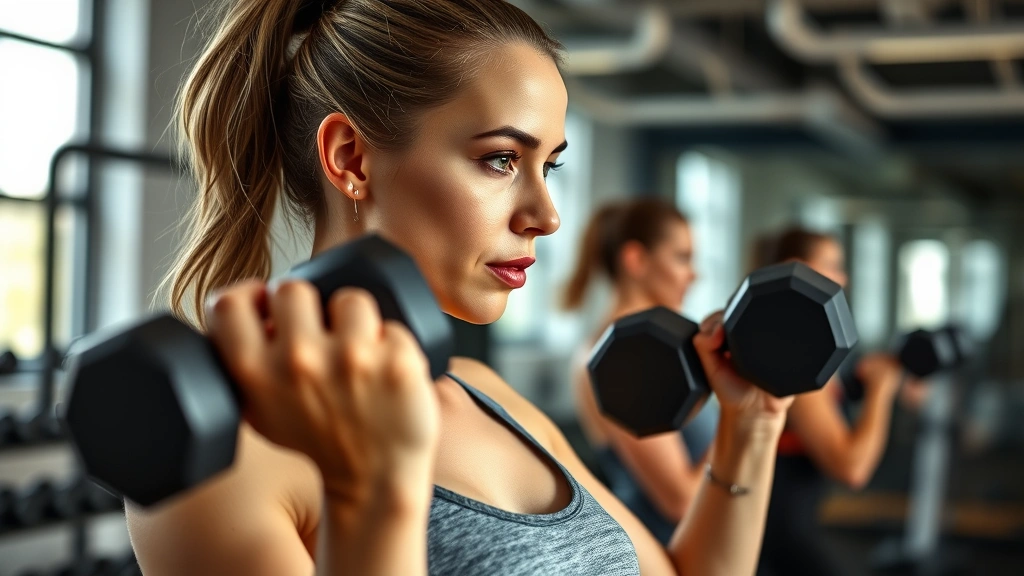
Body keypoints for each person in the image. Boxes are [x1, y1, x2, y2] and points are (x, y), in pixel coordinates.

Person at [128, 1, 796, 575]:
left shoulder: (491, 397)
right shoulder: (224, 457)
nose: (547, 214)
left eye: (549, 164)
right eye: (501, 160)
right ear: (351, 159)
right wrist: (370, 489)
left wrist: (752, 426)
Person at [563, 198, 718, 543]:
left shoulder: (658, 347)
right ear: (636, 260)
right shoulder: (622, 358)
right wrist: (744, 422)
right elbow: (680, 500)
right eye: (682, 257)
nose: (694, 274)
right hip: (661, 551)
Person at [752, 227, 904, 576]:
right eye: (832, 265)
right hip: (779, 533)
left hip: (789, 526)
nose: (843, 278)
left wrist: (864, 385)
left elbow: (822, 411)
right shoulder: (794, 354)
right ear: (797, 268)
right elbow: (852, 468)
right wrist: (883, 390)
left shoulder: (802, 343)